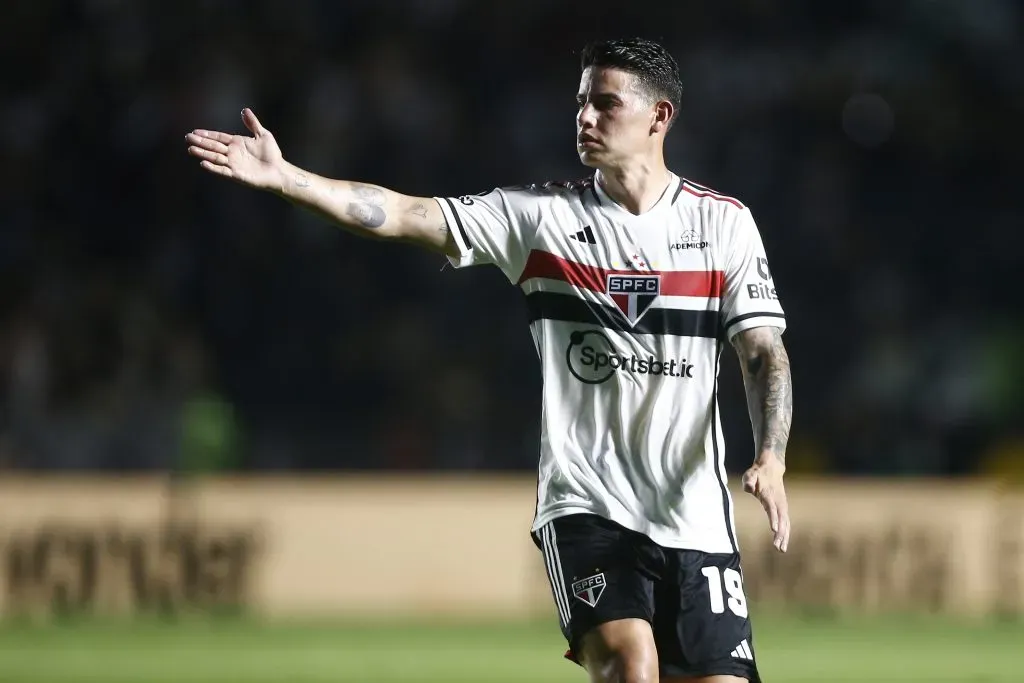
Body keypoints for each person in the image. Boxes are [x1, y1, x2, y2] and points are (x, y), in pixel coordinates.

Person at [186, 37, 792, 683]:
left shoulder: (723, 224)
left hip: (694, 514)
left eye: (605, 104)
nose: (584, 118)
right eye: (580, 102)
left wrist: (772, 455)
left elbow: (761, 351)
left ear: (659, 117)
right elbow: (401, 213)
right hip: (587, 505)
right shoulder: (540, 217)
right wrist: (288, 178)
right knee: (629, 666)